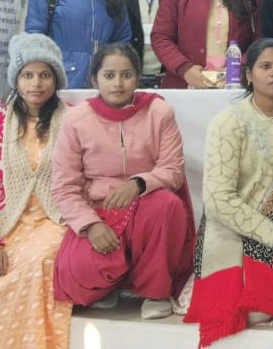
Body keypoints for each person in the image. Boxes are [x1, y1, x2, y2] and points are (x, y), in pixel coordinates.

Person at [183, 38, 273, 345]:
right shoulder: (228, 122)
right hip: (234, 228)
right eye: (265, 66)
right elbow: (218, 200)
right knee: (246, 306)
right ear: (249, 74)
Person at [50, 43, 193, 320]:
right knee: (77, 276)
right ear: (94, 79)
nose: (118, 83)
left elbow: (173, 169)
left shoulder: (159, 112)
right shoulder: (76, 120)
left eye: (126, 75)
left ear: (137, 77)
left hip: (148, 205)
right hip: (99, 210)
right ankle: (112, 285)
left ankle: (155, 290)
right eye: (109, 75)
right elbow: (63, 185)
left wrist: (138, 184)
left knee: (167, 205)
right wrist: (89, 224)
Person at [0, 34, 72, 348]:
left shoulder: (73, 121)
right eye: (27, 75)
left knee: (34, 265)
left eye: (45, 74)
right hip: (3, 227)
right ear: (15, 79)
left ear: (56, 79)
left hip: (55, 223)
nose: (36, 83)